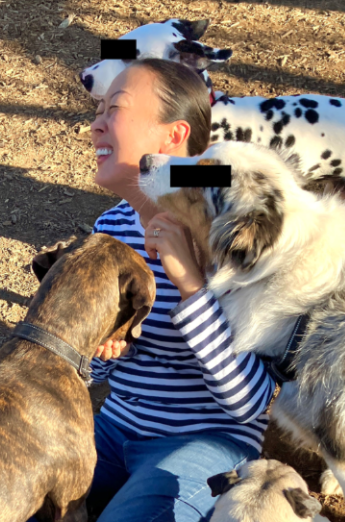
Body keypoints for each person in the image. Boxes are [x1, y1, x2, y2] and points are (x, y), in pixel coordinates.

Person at [88, 59, 275, 522]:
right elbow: (85, 371)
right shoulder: (110, 228)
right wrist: (99, 345)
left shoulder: (240, 232)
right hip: (111, 428)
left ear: (172, 136)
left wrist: (190, 283)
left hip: (209, 441)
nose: (95, 125)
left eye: (116, 108)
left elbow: (248, 404)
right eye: (98, 112)